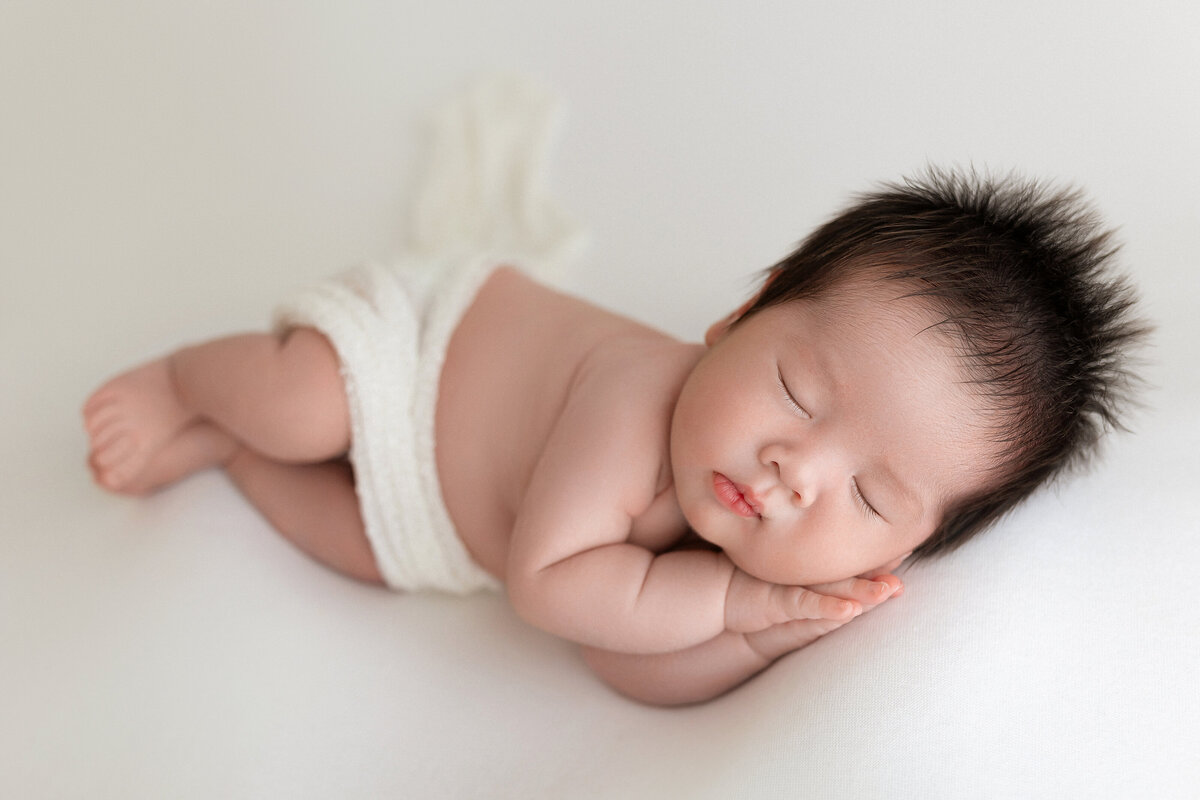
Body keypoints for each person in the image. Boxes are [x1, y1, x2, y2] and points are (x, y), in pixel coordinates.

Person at [81, 168, 1145, 705]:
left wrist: (759, 634)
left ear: (901, 552)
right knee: (304, 405)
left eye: (870, 498)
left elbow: (622, 658)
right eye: (794, 389)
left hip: (443, 524)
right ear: (743, 312)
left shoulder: (729, 540)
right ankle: (192, 382)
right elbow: (552, 586)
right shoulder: (641, 396)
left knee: (358, 548)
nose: (796, 468)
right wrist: (736, 596)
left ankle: (229, 452)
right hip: (414, 355)